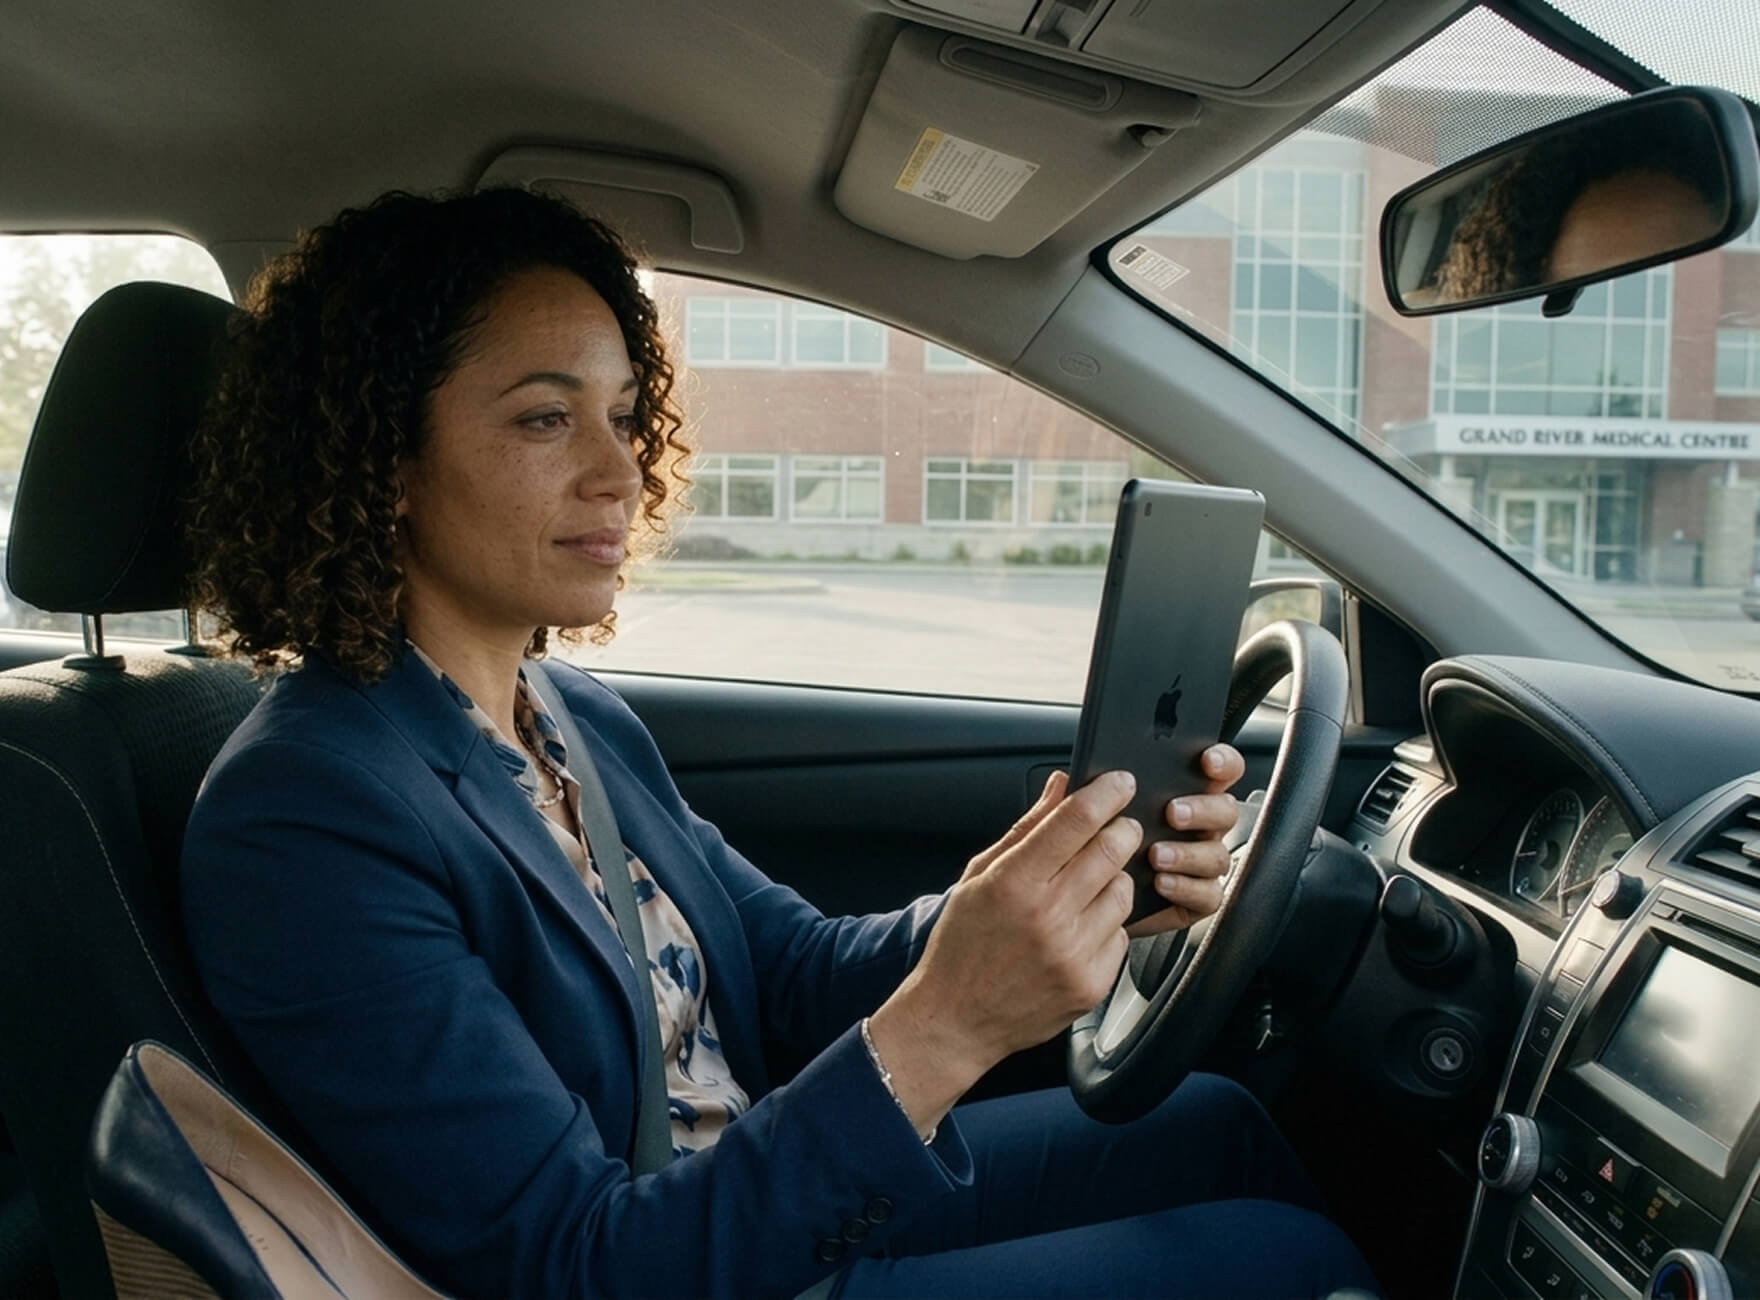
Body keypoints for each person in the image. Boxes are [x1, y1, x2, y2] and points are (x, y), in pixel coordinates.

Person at [179, 186, 1377, 1299]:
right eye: (547, 419)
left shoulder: (565, 713)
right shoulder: (305, 814)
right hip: (694, 1258)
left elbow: (790, 970)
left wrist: (1038, 895)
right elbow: (571, 1262)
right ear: (382, 461)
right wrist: (950, 1020)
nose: (620, 469)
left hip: (762, 1195)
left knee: (1216, 1122)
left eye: (622, 416)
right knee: (1287, 1258)